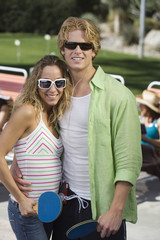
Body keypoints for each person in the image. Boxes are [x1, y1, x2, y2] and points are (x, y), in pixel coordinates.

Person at [11, 17, 142, 240]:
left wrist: (116, 210)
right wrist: (17, 162)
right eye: (71, 45)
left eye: (85, 45)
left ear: (94, 50)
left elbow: (129, 160)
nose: (77, 50)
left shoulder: (118, 95)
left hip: (102, 209)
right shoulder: (58, 91)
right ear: (62, 49)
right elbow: (34, 128)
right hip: (65, 203)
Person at [0, 55, 71, 240]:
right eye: (45, 83)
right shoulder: (28, 112)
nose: (53, 89)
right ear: (35, 84)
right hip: (27, 210)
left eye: (59, 82)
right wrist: (21, 199)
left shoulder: (57, 116)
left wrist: (17, 159)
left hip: (49, 209)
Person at [136, 89, 160, 178]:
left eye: (142, 105)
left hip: (152, 154)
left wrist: (145, 138)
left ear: (148, 107)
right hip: (139, 152)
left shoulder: (158, 122)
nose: (139, 107)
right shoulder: (139, 118)